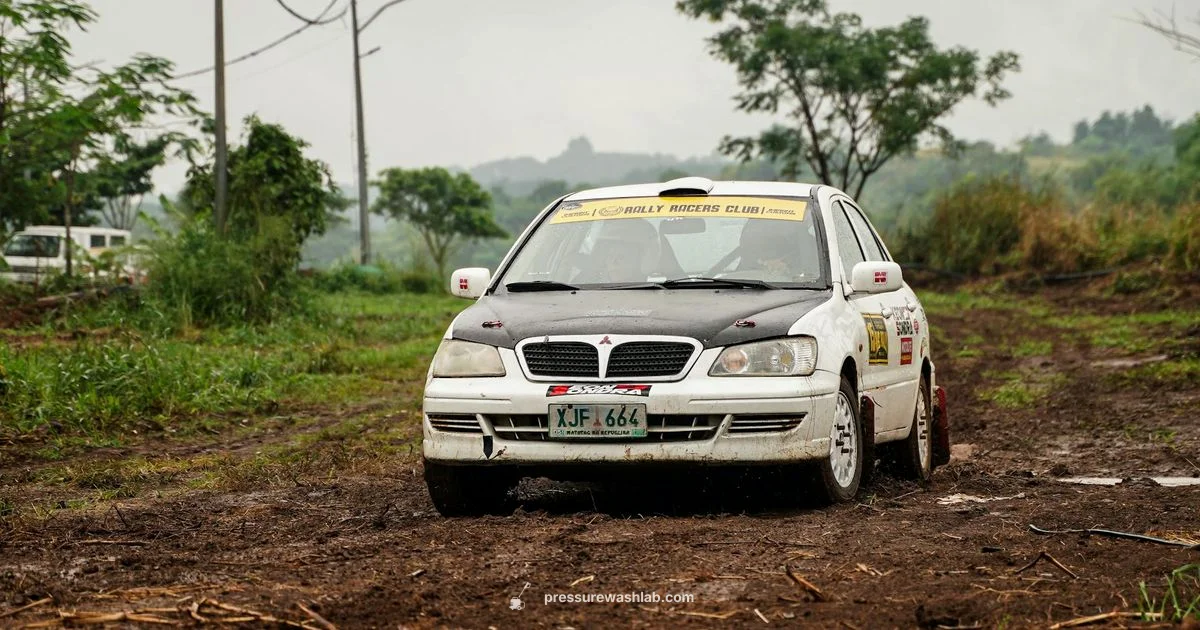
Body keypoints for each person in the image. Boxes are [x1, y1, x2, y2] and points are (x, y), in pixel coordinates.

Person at [578, 218, 661, 283]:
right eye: (610, 256)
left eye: (621, 257)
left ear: (639, 259)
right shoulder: (581, 285)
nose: (614, 262)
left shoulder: (657, 293)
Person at [734, 219, 819, 281]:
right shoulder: (739, 273)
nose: (760, 262)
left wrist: (787, 271)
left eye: (765, 259)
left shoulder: (810, 258)